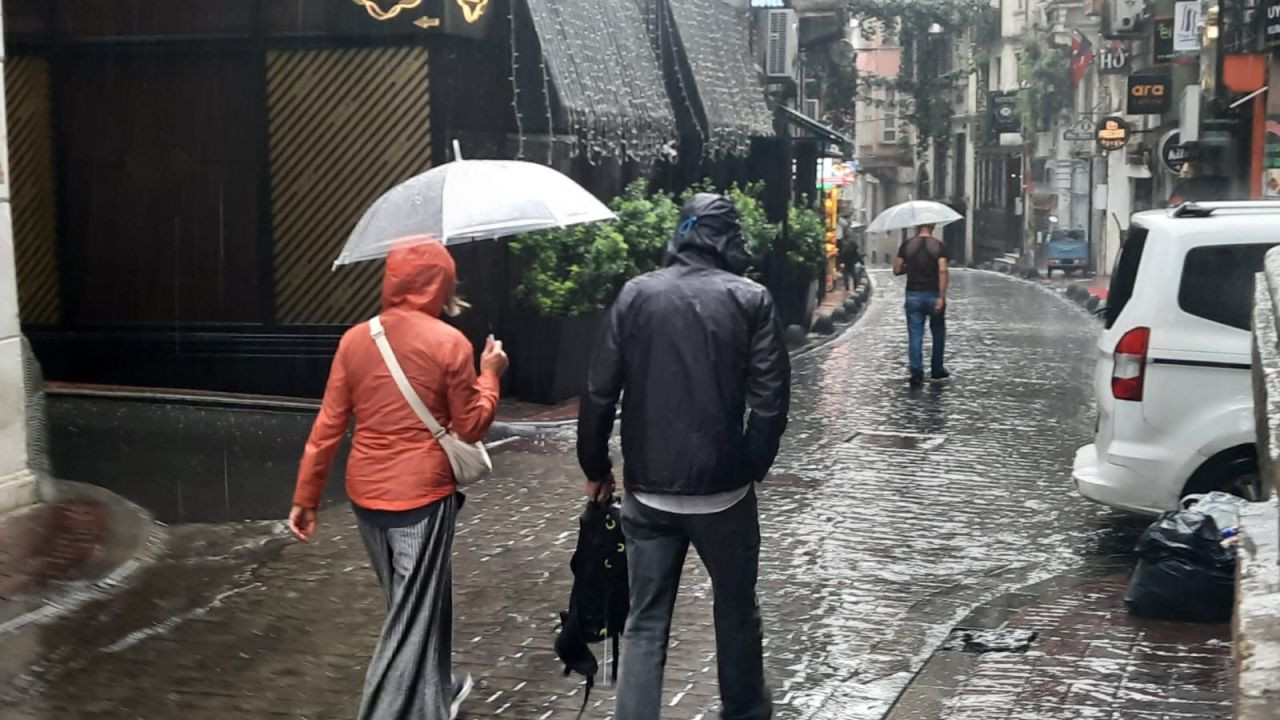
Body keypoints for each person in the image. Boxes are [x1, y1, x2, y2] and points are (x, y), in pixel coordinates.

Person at [578, 193, 791, 720]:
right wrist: (750, 466)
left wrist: (596, 466)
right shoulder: (751, 299)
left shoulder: (635, 296)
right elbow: (770, 401)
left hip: (648, 490)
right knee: (737, 609)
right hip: (725, 493)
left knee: (645, 620)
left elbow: (599, 391)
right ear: (728, 238)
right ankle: (743, 710)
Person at [289, 238, 508, 720]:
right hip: (421, 499)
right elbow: (470, 426)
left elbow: (328, 426)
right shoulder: (450, 343)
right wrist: (490, 375)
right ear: (441, 285)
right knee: (409, 619)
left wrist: (305, 498)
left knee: (417, 603)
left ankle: (436, 695)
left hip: (367, 497)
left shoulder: (354, 340)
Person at [894, 224, 950, 386]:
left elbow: (897, 269)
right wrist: (942, 296)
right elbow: (942, 270)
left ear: (917, 227)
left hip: (913, 295)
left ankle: (917, 371)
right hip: (933, 295)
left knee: (915, 334)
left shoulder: (907, 245)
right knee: (938, 332)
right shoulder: (939, 246)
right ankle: (937, 368)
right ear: (932, 227)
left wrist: (910, 267)